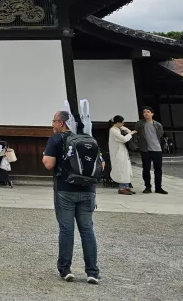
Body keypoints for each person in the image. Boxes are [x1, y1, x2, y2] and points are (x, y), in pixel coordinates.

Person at [43, 110, 101, 284]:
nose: (52, 124)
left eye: (54, 121)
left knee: (66, 230)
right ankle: (92, 272)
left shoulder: (56, 139)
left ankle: (65, 269)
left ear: (62, 123)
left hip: (65, 189)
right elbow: (101, 164)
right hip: (88, 190)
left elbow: (48, 164)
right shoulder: (88, 139)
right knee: (87, 231)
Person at [134, 106, 167, 195]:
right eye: (144, 112)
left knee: (158, 169)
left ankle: (158, 187)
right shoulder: (139, 123)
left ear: (152, 114)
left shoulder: (157, 125)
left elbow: (160, 134)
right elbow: (136, 134)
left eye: (148, 112)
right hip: (145, 149)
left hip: (157, 149)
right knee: (146, 169)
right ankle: (147, 187)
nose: (146, 113)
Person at [107, 116, 137, 195]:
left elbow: (128, 131)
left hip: (122, 151)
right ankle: (122, 188)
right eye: (122, 122)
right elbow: (123, 139)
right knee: (121, 169)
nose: (123, 124)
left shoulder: (118, 128)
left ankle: (126, 187)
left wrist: (124, 128)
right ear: (117, 123)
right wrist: (131, 133)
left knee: (126, 169)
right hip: (117, 152)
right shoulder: (113, 130)